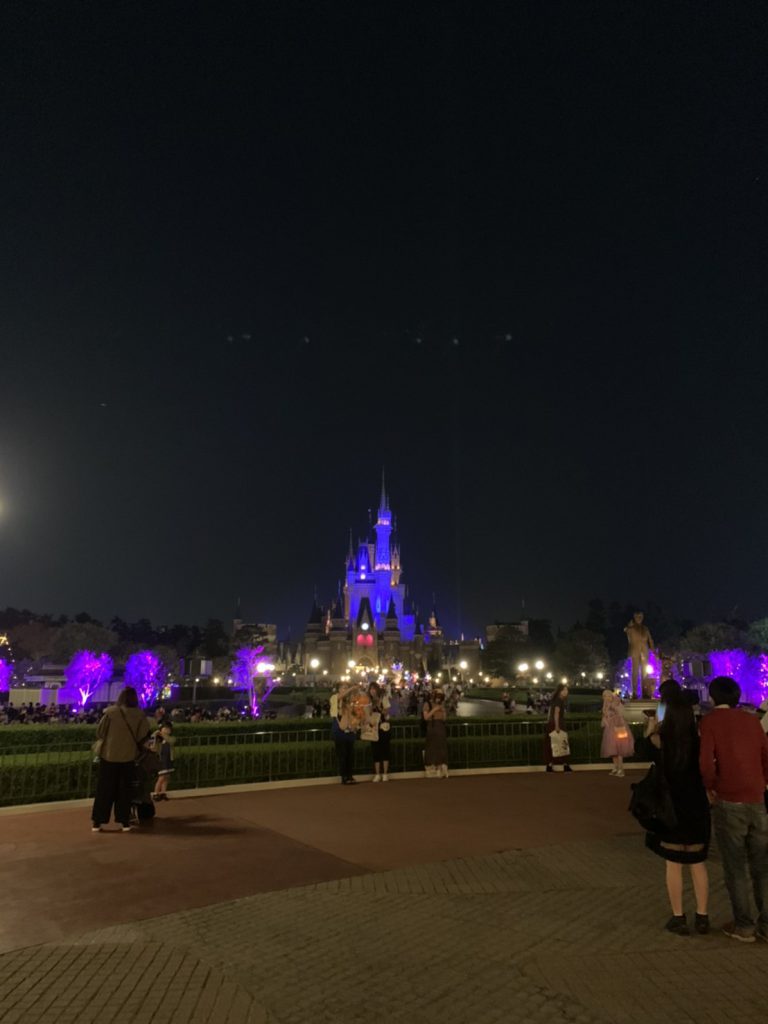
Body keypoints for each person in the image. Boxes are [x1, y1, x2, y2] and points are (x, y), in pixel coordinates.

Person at [699, 676, 768, 942]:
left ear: (713, 697)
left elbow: (706, 763)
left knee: (735, 866)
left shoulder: (710, 722)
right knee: (762, 865)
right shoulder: (752, 720)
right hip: (756, 798)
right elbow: (765, 755)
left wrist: (711, 786)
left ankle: (744, 925)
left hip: (728, 798)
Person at [639, 693, 710, 935]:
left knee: (674, 864)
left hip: (670, 807)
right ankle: (702, 916)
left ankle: (678, 916)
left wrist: (651, 728)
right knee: (697, 863)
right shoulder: (698, 742)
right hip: (696, 805)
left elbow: (642, 752)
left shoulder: (660, 741)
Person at [91, 686, 152, 833]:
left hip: (109, 756)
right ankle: (124, 821)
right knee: (125, 791)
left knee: (104, 790)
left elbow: (100, 732)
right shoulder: (139, 715)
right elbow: (142, 736)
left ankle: (98, 822)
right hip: (128, 757)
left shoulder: (111, 713)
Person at [600, 690, 634, 776]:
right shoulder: (605, 705)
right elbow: (605, 716)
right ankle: (616, 767)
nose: (606, 698)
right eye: (604, 696)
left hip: (619, 727)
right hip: (610, 729)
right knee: (612, 749)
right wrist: (605, 721)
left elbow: (621, 713)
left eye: (608, 696)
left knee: (620, 748)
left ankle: (621, 769)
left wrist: (614, 707)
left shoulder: (616, 702)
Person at [332, 684, 358, 785]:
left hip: (350, 731)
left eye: (347, 688)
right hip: (339, 731)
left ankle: (350, 775)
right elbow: (340, 697)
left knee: (350, 755)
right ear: (339, 690)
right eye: (344, 688)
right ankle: (344, 777)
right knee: (342, 755)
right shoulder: (334, 698)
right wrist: (351, 688)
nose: (346, 690)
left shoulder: (350, 702)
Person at [624, 611, 655, 698]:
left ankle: (645, 692)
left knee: (644, 672)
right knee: (635, 672)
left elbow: (650, 639)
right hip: (635, 651)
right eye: (637, 617)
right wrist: (629, 626)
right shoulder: (631, 628)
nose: (639, 619)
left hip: (645, 651)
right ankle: (634, 692)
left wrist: (653, 650)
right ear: (634, 618)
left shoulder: (645, 628)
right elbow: (626, 630)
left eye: (640, 617)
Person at [366, 681, 391, 782]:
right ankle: (377, 774)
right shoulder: (369, 701)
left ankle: (385, 773)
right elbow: (367, 714)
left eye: (374, 689)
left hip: (383, 726)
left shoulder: (383, 698)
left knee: (385, 750)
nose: (372, 691)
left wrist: (380, 708)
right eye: (370, 689)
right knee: (375, 751)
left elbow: (387, 711)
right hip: (373, 727)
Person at [545, 683, 572, 773]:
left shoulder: (555, 700)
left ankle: (549, 765)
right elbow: (556, 713)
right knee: (563, 743)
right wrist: (557, 726)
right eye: (565, 690)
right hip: (558, 724)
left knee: (552, 744)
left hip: (552, 723)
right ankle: (565, 765)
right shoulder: (559, 700)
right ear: (560, 691)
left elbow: (551, 713)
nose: (566, 691)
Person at [423, 690, 448, 778]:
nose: (438, 699)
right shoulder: (428, 704)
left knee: (442, 746)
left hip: (440, 726)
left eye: (440, 698)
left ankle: (441, 767)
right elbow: (426, 717)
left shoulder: (441, 705)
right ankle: (432, 767)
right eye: (437, 697)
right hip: (432, 726)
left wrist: (443, 711)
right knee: (432, 747)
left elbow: (444, 719)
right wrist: (434, 710)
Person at [152, 724, 174, 801]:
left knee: (167, 777)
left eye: (168, 729)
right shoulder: (158, 740)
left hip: (168, 760)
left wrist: (162, 734)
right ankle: (156, 793)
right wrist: (155, 735)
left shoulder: (170, 738)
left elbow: (171, 741)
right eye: (165, 728)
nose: (167, 730)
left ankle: (163, 792)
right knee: (161, 777)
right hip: (161, 761)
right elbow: (153, 748)